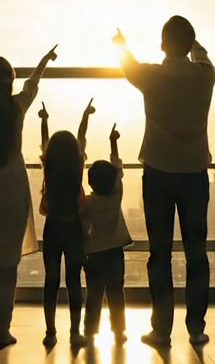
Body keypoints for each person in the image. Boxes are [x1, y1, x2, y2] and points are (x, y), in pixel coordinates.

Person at [113, 17, 215, 347]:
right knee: (196, 253)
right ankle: (196, 327)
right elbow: (202, 54)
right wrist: (194, 44)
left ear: (161, 45)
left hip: (158, 171)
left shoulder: (151, 76)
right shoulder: (204, 75)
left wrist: (120, 44)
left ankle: (162, 330)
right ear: (189, 45)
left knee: (160, 253)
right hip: (195, 173)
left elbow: (126, 64)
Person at [0, 41, 57, 351]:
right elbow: (33, 83)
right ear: (10, 82)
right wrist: (44, 59)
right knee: (7, 266)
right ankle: (4, 329)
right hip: (12, 189)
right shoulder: (18, 107)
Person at [38, 100, 92, 348]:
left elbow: (45, 142)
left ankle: (50, 332)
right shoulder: (77, 166)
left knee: (51, 280)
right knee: (73, 280)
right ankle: (74, 331)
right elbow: (81, 138)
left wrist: (44, 121)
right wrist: (84, 115)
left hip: (53, 227)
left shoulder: (49, 166)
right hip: (74, 229)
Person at [83, 123, 132, 344]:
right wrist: (113, 142)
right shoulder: (116, 197)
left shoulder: (88, 203)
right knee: (115, 292)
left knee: (94, 293)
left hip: (94, 253)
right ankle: (118, 331)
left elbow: (83, 227)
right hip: (115, 252)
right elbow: (118, 170)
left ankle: (90, 330)